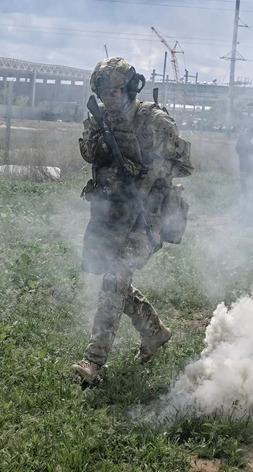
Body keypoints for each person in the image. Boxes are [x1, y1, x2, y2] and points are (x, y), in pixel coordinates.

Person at [72, 57, 194, 386]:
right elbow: (86, 152)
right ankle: (155, 333)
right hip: (112, 212)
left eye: (114, 92)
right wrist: (100, 145)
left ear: (128, 89)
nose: (108, 99)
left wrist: (146, 170)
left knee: (114, 278)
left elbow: (184, 164)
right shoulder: (99, 119)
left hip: (150, 213)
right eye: (103, 94)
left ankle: (94, 361)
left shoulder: (153, 121)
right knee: (114, 280)